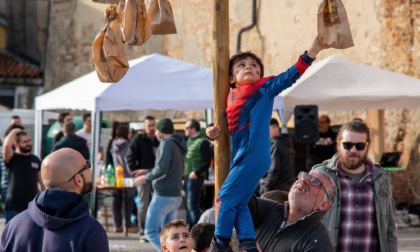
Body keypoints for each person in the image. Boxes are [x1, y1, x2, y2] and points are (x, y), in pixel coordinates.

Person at [206, 36, 330, 251]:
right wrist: (211, 132)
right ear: (231, 78)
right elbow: (228, 127)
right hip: (241, 155)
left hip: (253, 155)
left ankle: (220, 244)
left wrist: (312, 51)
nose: (249, 67)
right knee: (241, 203)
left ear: (260, 76)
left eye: (254, 66)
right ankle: (248, 243)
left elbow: (290, 76)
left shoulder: (263, 88)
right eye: (242, 65)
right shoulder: (229, 96)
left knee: (224, 198)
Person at [311, 118, 398, 251]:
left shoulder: (381, 177)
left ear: (367, 146)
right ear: (338, 144)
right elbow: (306, 222)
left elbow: (390, 229)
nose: (353, 150)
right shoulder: (320, 175)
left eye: (359, 146)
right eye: (347, 145)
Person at [0, 148, 109, 251]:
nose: (90, 170)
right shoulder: (91, 232)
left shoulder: (14, 226)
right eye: (87, 165)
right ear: (78, 180)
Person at [133, 118, 187, 251]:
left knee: (150, 232)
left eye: (156, 129)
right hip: (175, 195)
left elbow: (162, 169)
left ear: (162, 130)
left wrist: (145, 177)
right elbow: (167, 168)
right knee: (167, 234)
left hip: (163, 196)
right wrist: (147, 171)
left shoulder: (166, 143)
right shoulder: (177, 143)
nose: (155, 132)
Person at [248, 170, 336, 251]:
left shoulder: (319, 241)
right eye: (304, 175)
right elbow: (239, 198)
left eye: (315, 181)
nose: (303, 179)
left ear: (324, 205)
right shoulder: (270, 208)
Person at [127, 115, 159, 240]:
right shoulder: (138, 139)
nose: (151, 128)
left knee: (157, 204)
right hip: (143, 177)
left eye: (153, 125)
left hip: (158, 175)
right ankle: (143, 231)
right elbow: (130, 158)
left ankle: (155, 230)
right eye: (149, 126)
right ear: (144, 127)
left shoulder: (158, 139)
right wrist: (136, 172)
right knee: (143, 204)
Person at [2, 128, 44, 223]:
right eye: (24, 141)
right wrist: (14, 130)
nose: (28, 143)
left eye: (29, 140)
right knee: (12, 236)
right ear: (16, 144)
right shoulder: (12, 158)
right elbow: (6, 146)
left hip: (32, 206)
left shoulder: (35, 159)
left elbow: (42, 182)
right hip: (14, 206)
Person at [184, 119, 213, 228]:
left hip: (195, 177)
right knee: (189, 205)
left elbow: (207, 160)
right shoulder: (190, 140)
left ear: (193, 129)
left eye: (187, 128)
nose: (185, 130)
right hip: (188, 177)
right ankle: (190, 227)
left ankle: (195, 229)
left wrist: (197, 172)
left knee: (193, 205)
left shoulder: (202, 141)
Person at [111, 124, 138, 233]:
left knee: (116, 201)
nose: (130, 134)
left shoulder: (114, 143)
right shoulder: (126, 144)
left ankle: (117, 225)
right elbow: (128, 161)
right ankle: (127, 225)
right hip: (127, 176)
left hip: (117, 175)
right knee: (128, 202)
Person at [259, 118, 295, 194]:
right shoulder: (287, 143)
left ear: (276, 128)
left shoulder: (276, 145)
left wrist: (265, 187)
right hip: (286, 188)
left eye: (266, 129)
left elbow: (274, 170)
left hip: (275, 190)